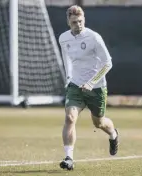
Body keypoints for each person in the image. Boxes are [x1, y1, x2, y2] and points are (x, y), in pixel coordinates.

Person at [58, 5, 119, 170]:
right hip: (75, 85)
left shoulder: (94, 37)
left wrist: (92, 82)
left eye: (80, 21)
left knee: (99, 123)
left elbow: (108, 63)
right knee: (70, 118)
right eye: (74, 22)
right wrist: (69, 79)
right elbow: (67, 60)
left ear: (84, 19)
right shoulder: (63, 38)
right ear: (68, 22)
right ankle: (69, 158)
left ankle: (113, 135)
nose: (78, 25)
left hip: (97, 88)